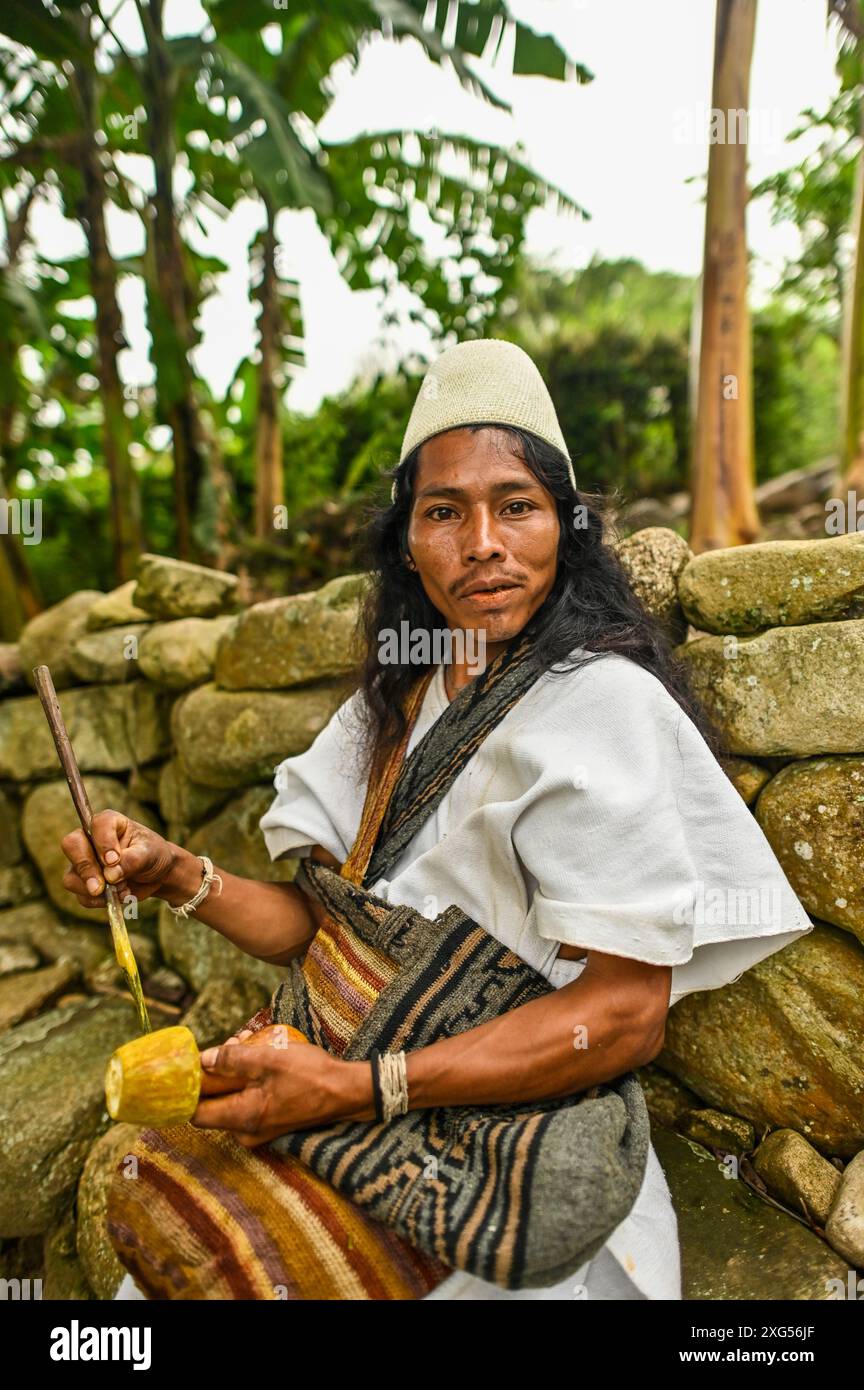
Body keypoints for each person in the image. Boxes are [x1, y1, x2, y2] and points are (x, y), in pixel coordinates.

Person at [63, 338, 813, 1301]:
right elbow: (320, 936)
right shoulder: (395, 703)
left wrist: (360, 1089)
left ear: (564, 529)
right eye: (444, 512)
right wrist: (178, 876)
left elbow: (623, 1019)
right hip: (335, 1100)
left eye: (518, 507)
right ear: (407, 544)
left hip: (494, 1161)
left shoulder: (604, 707)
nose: (484, 543)